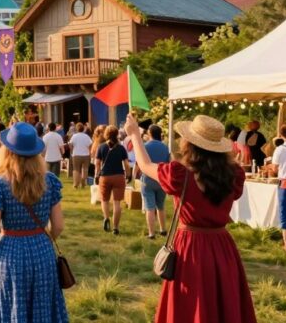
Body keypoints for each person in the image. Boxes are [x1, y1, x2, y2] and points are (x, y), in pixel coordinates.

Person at [125, 113, 256, 323]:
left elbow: (145, 165)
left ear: (189, 144)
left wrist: (134, 136)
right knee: (222, 301)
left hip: (190, 247)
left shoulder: (180, 174)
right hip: (222, 247)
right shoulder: (233, 175)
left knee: (189, 303)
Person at [0, 122, 68, 322]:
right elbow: (58, 225)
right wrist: (44, 239)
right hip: (42, 252)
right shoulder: (49, 181)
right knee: (42, 310)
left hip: (10, 255)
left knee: (11, 308)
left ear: (7, 152)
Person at [95, 125, 129, 235]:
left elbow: (97, 163)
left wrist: (96, 175)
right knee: (117, 203)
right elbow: (126, 164)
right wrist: (128, 175)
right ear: (116, 134)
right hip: (119, 176)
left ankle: (106, 218)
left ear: (106, 134)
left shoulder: (101, 147)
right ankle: (115, 228)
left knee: (104, 200)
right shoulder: (121, 148)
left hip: (105, 176)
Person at [140, 124, 171, 239]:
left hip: (148, 179)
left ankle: (151, 233)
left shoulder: (145, 146)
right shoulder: (165, 147)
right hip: (162, 179)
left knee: (150, 207)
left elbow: (140, 163)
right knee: (160, 206)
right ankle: (163, 230)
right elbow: (168, 162)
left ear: (150, 133)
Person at [69, 124, 93, 189]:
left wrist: (72, 150)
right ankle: (83, 183)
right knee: (85, 169)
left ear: (77, 129)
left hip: (76, 154)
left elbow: (70, 144)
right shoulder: (86, 136)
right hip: (86, 155)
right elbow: (91, 144)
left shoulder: (74, 136)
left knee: (76, 170)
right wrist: (89, 151)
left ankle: (76, 184)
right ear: (83, 129)